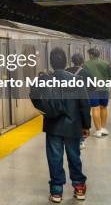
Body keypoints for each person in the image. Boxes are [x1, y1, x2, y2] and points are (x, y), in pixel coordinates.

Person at [35, 48, 90, 203]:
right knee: (74, 157)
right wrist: (86, 126)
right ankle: (79, 188)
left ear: (51, 63)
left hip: (53, 127)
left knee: (54, 158)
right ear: (66, 62)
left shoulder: (45, 80)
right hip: (73, 126)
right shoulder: (76, 80)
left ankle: (56, 192)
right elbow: (84, 105)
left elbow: (36, 98)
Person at [83, 48, 111, 138]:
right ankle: (103, 128)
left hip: (93, 89)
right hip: (104, 89)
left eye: (89, 54)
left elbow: (85, 78)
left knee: (95, 108)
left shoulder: (86, 64)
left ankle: (98, 130)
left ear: (91, 55)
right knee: (104, 107)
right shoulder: (106, 63)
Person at [67, 53, 88, 150]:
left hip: (69, 101)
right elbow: (93, 86)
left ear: (72, 61)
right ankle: (80, 141)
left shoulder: (66, 71)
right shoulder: (86, 73)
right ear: (82, 62)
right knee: (80, 119)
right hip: (81, 100)